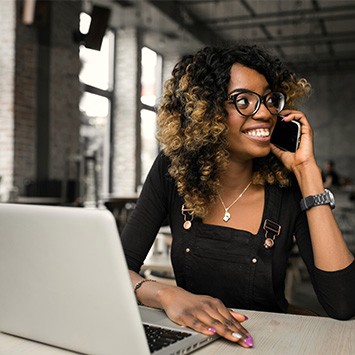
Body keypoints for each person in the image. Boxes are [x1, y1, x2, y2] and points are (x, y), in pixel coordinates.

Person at [121, 43, 355, 348]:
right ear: (206, 111)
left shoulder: (286, 185)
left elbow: (343, 302)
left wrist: (307, 171)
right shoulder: (171, 170)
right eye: (244, 100)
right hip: (194, 342)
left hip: (268, 343)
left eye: (271, 100)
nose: (265, 113)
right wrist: (167, 294)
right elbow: (118, 268)